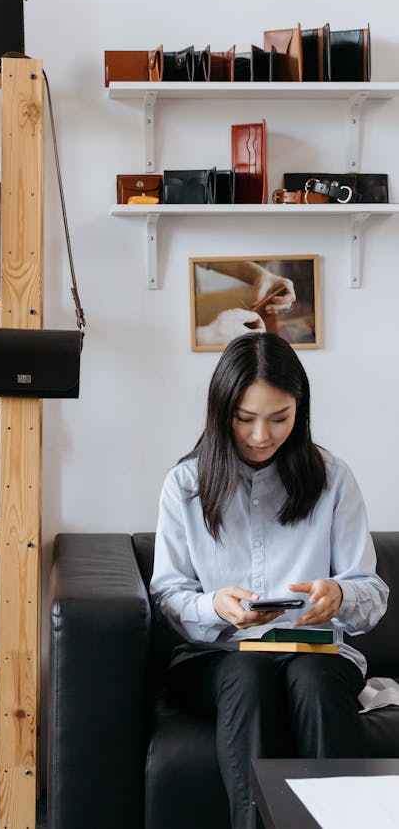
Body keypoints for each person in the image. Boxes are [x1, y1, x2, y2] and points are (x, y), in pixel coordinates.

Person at [150, 332, 388, 829]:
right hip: (218, 658)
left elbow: (371, 593)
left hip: (317, 653)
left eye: (280, 418)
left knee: (314, 678)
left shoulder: (333, 479)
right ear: (222, 412)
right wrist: (215, 606)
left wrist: (340, 594)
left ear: (300, 410)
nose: (262, 435)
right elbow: (168, 596)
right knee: (248, 673)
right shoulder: (185, 485)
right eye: (245, 418)